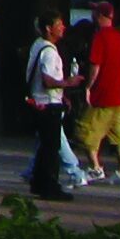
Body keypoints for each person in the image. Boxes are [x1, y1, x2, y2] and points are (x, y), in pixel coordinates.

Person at [24, 10, 79, 199]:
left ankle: (38, 182)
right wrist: (68, 83)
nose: (63, 27)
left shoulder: (37, 45)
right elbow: (48, 81)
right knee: (51, 148)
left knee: (45, 146)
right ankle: (50, 185)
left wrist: (62, 95)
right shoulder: (49, 52)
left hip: (40, 101)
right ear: (49, 28)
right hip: (48, 105)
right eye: (59, 24)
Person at [79, 7, 120, 187]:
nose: (92, 17)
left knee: (86, 131)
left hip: (104, 95)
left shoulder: (100, 37)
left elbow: (95, 65)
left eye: (94, 14)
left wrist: (88, 86)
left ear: (100, 16)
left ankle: (95, 168)